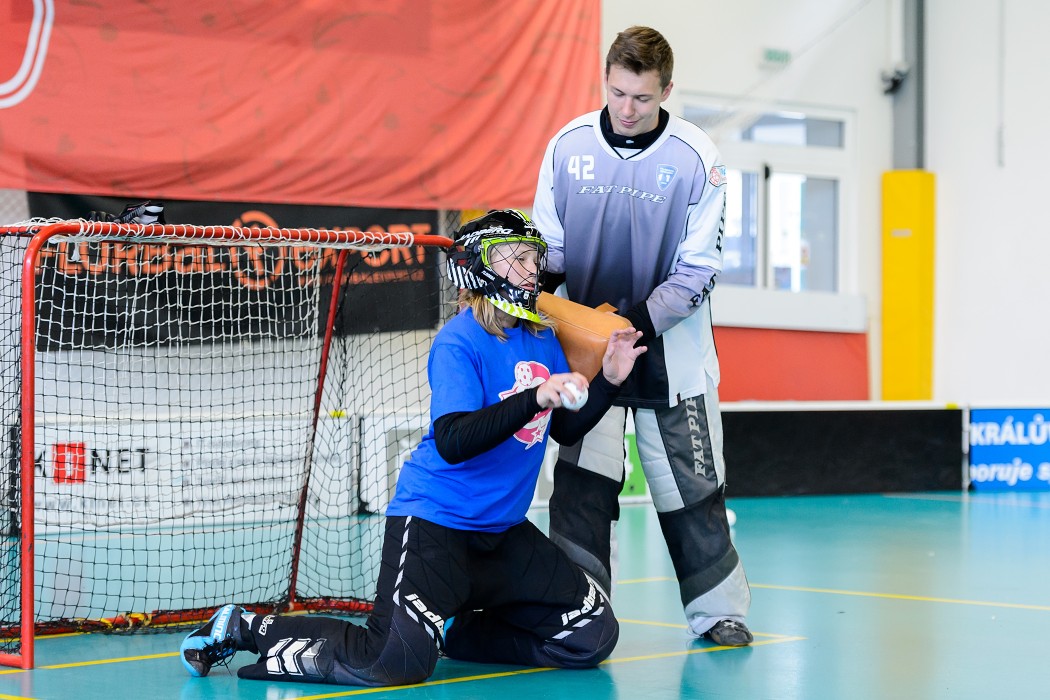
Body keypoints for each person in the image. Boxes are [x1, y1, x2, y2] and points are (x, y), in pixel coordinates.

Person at [179, 209, 646, 686]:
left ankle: (457, 636)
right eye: (517, 258)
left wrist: (607, 381)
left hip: (502, 533)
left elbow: (563, 431)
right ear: (479, 268)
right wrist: (535, 397)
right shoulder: (458, 341)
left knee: (591, 635)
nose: (531, 270)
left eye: (534, 258)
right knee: (391, 663)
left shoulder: (541, 336)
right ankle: (244, 627)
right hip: (435, 525)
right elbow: (453, 440)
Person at [531, 26, 753, 646]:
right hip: (586, 354)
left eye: (643, 99)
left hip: (670, 353)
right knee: (580, 489)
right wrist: (535, 294)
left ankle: (718, 612)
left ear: (667, 91)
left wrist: (636, 328)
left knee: (692, 489)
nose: (627, 110)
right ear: (605, 80)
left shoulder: (697, 158)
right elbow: (550, 247)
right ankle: (577, 610)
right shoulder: (567, 147)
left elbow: (699, 268)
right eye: (617, 93)